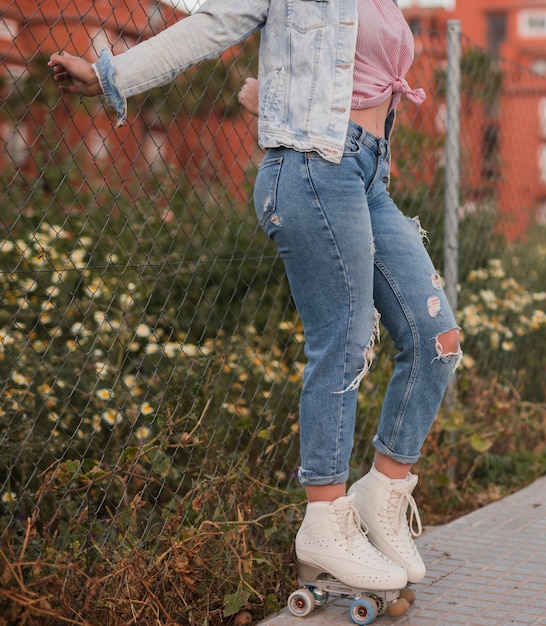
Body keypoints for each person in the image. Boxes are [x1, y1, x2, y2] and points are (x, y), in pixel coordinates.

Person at [49, 0, 461, 594]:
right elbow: (211, 25)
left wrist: (271, 91)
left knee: (436, 340)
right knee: (343, 344)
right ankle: (325, 517)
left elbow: (335, 69)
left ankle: (382, 494)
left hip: (370, 174)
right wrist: (110, 75)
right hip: (315, 171)